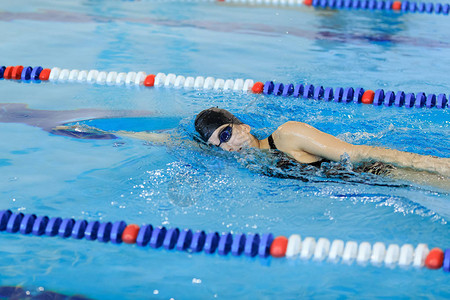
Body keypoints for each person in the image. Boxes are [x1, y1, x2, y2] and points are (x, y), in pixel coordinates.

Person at [194, 107, 450, 186]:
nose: (226, 147)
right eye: (218, 145)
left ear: (243, 127)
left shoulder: (287, 135)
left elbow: (361, 153)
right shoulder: (250, 160)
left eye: (225, 135)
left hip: (378, 172)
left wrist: (437, 164)